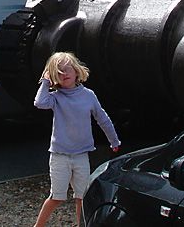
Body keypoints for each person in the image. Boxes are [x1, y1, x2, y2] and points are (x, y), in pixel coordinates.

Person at [33, 52, 120, 227]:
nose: (64, 74)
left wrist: (114, 140)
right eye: (59, 72)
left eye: (67, 69)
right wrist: (45, 81)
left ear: (76, 71)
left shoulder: (88, 95)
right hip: (59, 155)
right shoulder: (56, 97)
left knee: (82, 196)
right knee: (57, 196)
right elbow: (39, 102)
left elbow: (102, 118)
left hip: (81, 154)